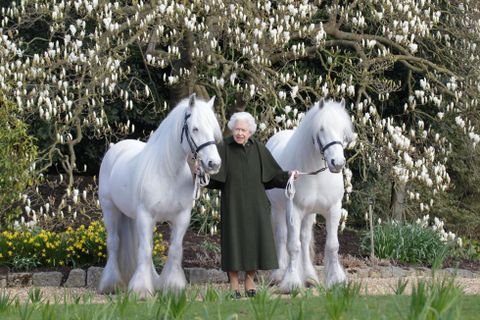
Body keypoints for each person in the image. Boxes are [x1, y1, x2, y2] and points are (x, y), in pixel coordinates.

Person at [206, 112, 298, 299]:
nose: (240, 133)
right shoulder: (223, 147)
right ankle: (234, 285)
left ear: (250, 132)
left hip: (257, 206)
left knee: (255, 243)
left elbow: (273, 176)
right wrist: (200, 173)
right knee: (233, 243)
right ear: (232, 129)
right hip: (233, 205)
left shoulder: (259, 149)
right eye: (237, 129)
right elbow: (213, 178)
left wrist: (289, 175)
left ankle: (249, 282)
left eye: (243, 130)